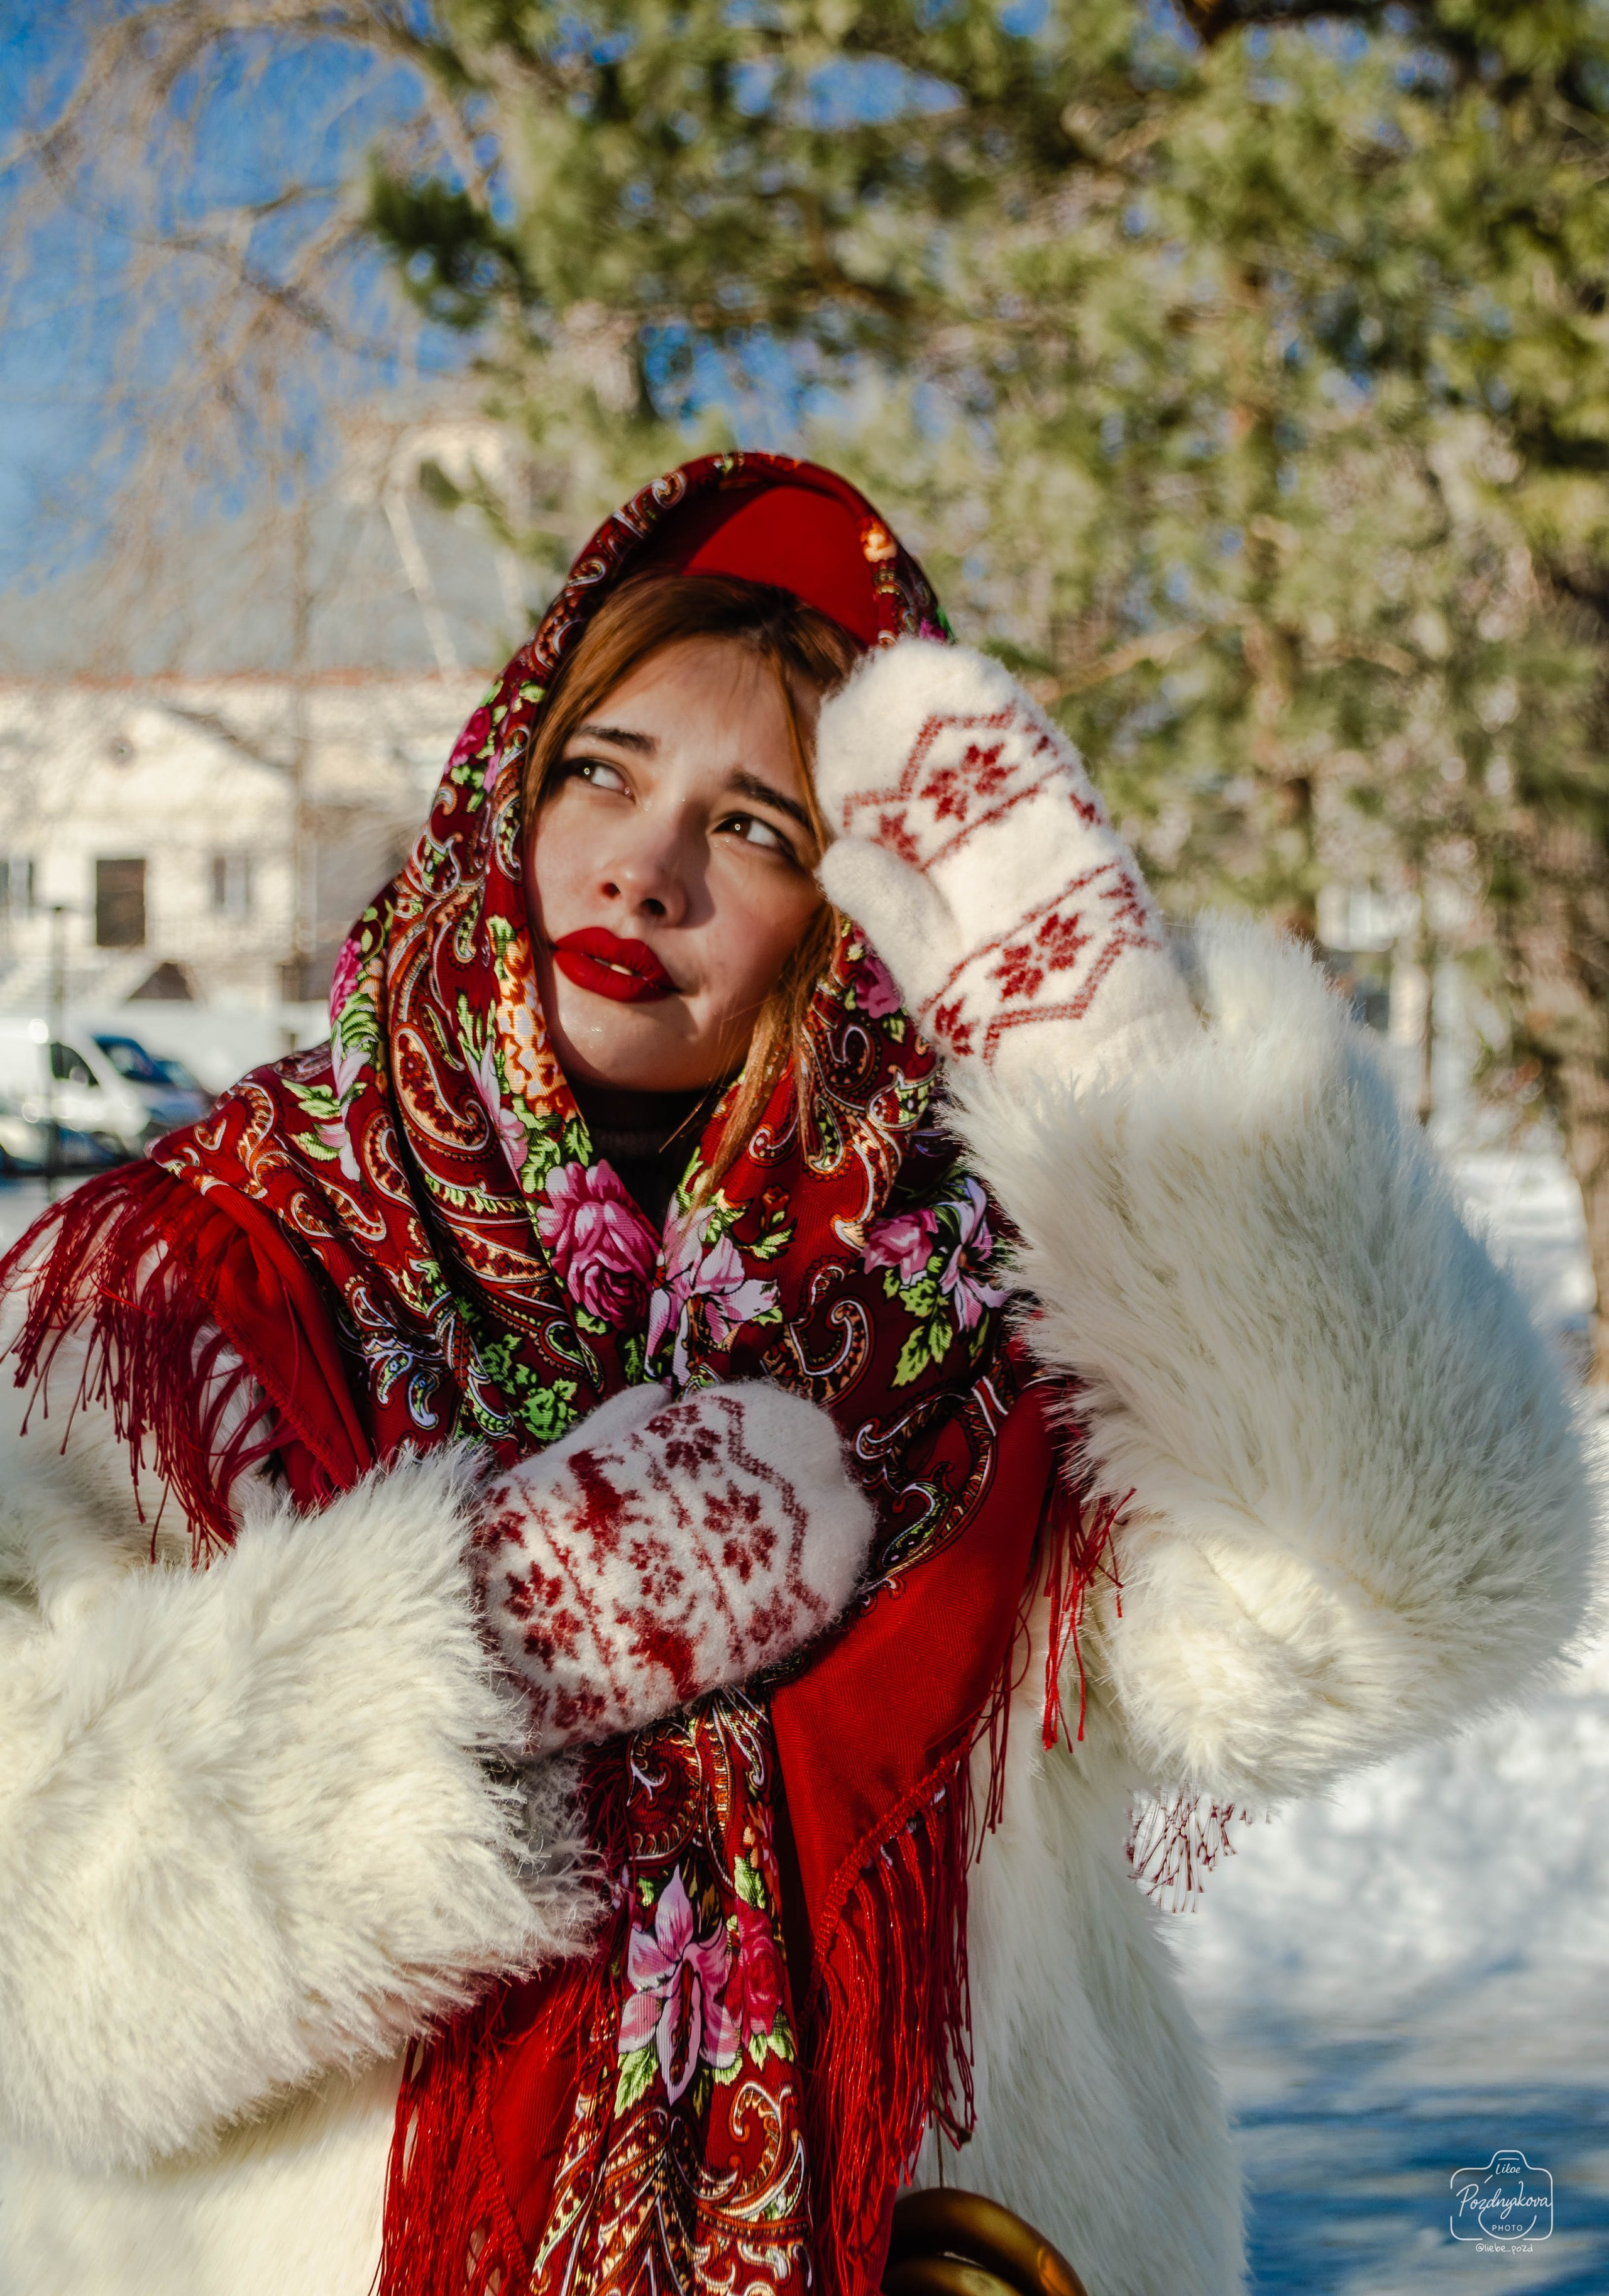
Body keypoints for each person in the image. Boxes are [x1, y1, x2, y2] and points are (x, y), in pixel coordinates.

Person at [0, 454, 1591, 2296]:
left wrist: (1160, 1140)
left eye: (756, 824)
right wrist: (485, 1640)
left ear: (848, 927)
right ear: (507, 780)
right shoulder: (180, 1281)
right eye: (604, 767)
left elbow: (1413, 1596)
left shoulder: (994, 1319)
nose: (645, 863)